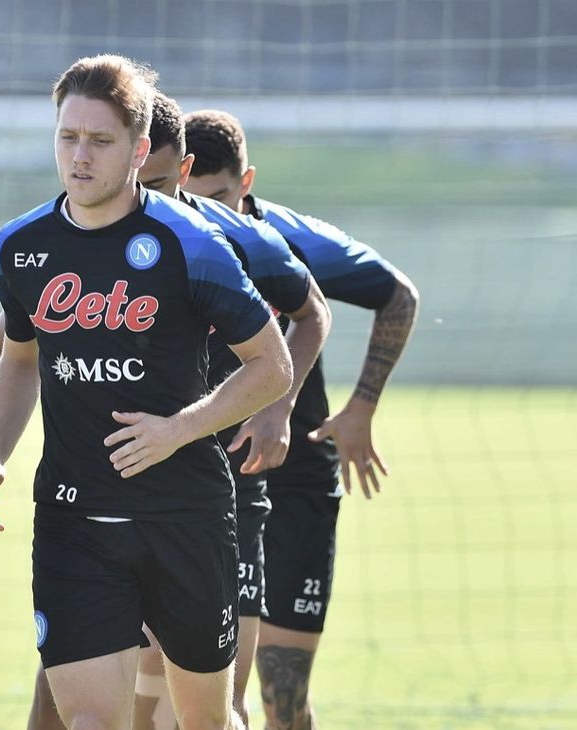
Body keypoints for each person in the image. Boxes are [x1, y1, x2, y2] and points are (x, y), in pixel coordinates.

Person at [0, 92, 332, 730]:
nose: (80, 156)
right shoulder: (25, 247)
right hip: (77, 516)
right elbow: (9, 356)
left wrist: (254, 414)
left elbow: (298, 328)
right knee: (91, 718)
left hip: (191, 511)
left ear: (149, 159)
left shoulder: (217, 240)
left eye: (99, 142)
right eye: (67, 137)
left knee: (205, 717)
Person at [181, 109, 420, 729]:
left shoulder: (286, 243)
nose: (213, 213)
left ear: (247, 182)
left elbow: (397, 294)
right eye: (194, 197)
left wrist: (361, 406)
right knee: (203, 696)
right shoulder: (168, 239)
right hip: (212, 482)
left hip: (298, 483)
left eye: (224, 198)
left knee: (281, 695)